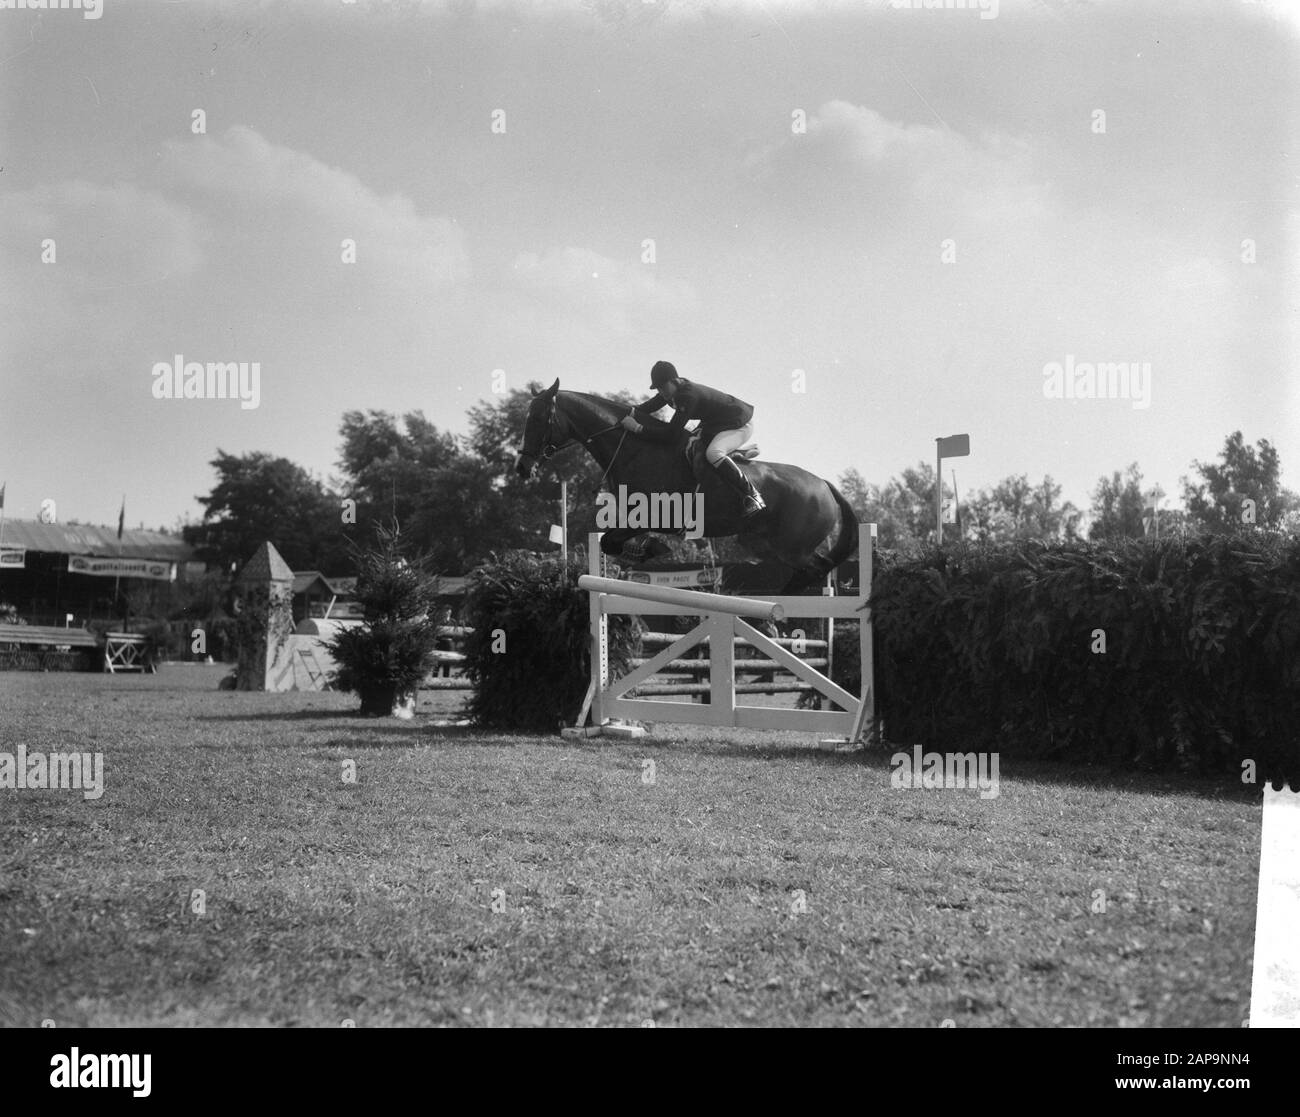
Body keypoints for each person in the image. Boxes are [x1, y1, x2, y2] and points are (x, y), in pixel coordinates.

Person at [620, 361, 766, 517]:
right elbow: (645, 408)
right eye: (658, 388)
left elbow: (671, 434)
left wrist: (637, 428)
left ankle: (752, 494)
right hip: (717, 423)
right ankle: (736, 452)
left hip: (739, 423)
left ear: (673, 380)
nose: (661, 392)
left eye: (663, 387)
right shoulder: (672, 391)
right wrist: (621, 411)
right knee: (688, 445)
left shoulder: (688, 396)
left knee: (713, 454)